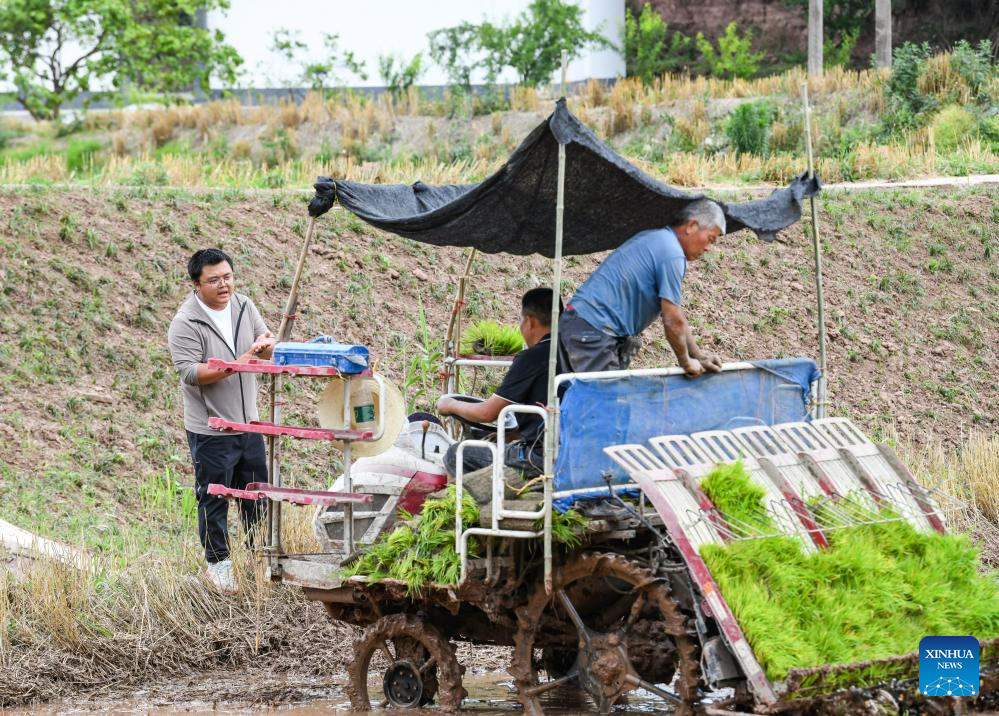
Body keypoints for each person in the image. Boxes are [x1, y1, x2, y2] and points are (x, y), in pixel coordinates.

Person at [167, 248, 277, 595]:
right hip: (212, 428)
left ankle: (260, 561)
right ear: (196, 284)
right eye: (213, 280)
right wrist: (239, 361)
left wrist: (267, 347)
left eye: (227, 276)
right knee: (214, 498)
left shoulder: (245, 306)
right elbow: (190, 373)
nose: (223, 284)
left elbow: (267, 342)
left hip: (250, 425)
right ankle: (219, 567)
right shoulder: (186, 322)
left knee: (256, 495)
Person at [558, 199, 726, 378]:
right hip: (592, 330)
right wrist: (686, 362)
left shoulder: (658, 239)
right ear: (692, 225)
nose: (708, 248)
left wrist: (698, 356)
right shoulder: (672, 254)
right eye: (710, 239)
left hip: (581, 323)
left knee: (577, 398)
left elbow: (677, 316)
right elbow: (672, 320)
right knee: (607, 402)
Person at [437, 288, 561, 480]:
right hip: (568, 450)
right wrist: (517, 434)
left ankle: (458, 507)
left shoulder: (532, 358)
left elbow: (486, 413)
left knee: (458, 453)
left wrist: (449, 404)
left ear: (530, 321)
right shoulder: (574, 352)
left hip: (540, 458)